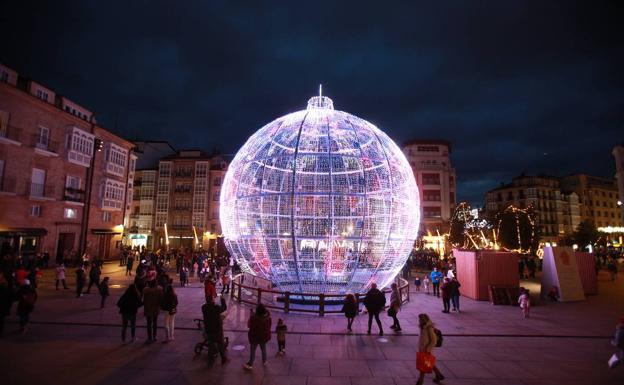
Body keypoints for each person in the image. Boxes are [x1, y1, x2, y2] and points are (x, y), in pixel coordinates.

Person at [416, 313, 445, 385]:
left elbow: (433, 340)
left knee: (423, 365)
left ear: (424, 320)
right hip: (423, 349)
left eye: (421, 319)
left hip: (426, 350)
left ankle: (420, 381)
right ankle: (439, 375)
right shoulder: (423, 327)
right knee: (428, 363)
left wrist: (428, 349)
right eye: (419, 319)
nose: (419, 320)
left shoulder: (429, 328)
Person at [202, 295, 229, 365]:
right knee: (221, 344)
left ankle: (210, 360)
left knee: (211, 345)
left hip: (209, 329)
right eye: (213, 298)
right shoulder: (216, 308)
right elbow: (224, 307)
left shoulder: (204, 308)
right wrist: (222, 299)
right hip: (217, 329)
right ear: (212, 300)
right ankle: (223, 358)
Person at [244, 304, 272, 370]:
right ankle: (264, 361)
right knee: (263, 348)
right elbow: (269, 325)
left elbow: (249, 325)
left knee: (253, 350)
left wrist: (250, 317)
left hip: (255, 337)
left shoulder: (254, 318)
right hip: (264, 336)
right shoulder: (268, 317)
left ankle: (250, 364)